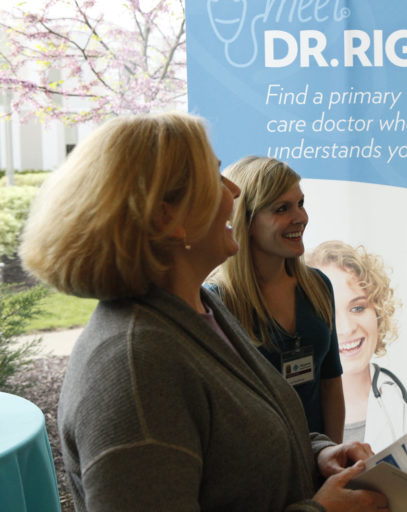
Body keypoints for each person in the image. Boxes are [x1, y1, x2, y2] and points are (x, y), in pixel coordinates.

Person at [19, 112, 387, 512]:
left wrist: (315, 452)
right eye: (214, 177)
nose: (233, 191)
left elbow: (241, 437)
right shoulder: (133, 368)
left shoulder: (200, 310)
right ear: (167, 217)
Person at [208, 156, 345, 443]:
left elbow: (331, 384)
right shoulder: (216, 303)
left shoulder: (318, 286)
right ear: (245, 220)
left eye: (301, 203)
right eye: (282, 208)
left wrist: (335, 459)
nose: (301, 218)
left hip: (319, 462)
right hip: (260, 474)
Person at [306, 240, 407, 452]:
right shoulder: (295, 409)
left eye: (358, 308)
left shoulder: (402, 402)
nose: (346, 328)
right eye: (330, 313)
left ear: (378, 311)